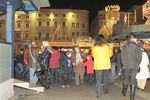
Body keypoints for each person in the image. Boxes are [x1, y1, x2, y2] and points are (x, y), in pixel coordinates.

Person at [92, 35, 113, 99]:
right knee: (105, 79)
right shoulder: (107, 47)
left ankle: (99, 95)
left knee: (98, 81)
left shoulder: (94, 47)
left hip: (98, 66)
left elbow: (93, 56)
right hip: (106, 65)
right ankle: (105, 91)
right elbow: (110, 55)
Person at [121, 35, 142, 100]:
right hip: (134, 65)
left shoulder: (125, 47)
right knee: (133, 80)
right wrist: (137, 63)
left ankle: (124, 92)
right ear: (134, 40)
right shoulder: (137, 47)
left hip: (126, 65)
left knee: (126, 78)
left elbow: (122, 57)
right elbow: (140, 57)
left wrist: (124, 64)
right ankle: (132, 97)